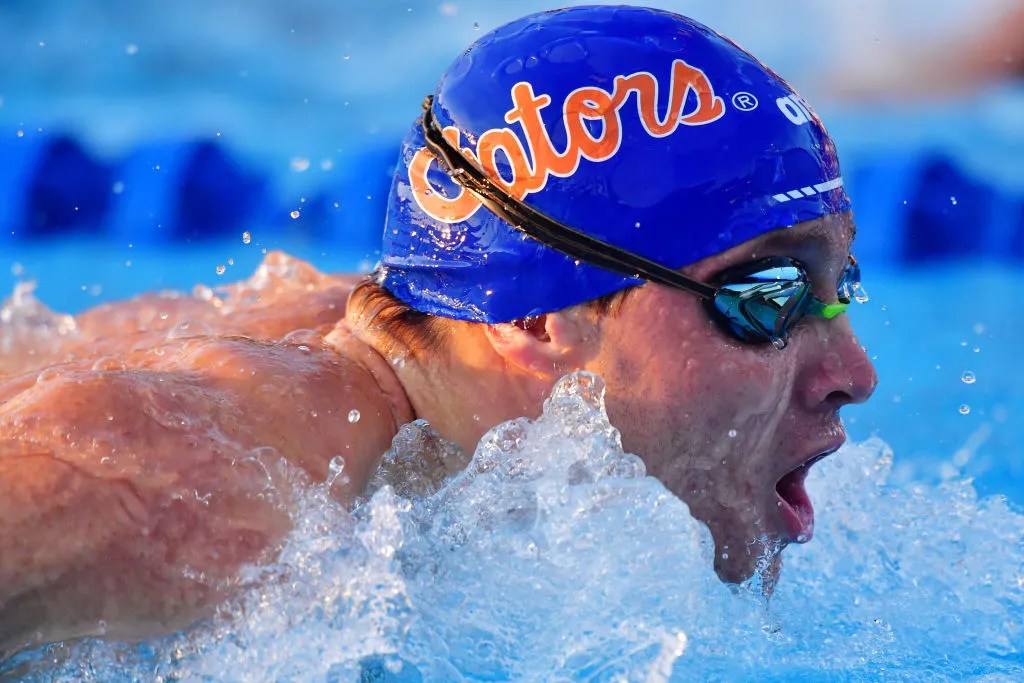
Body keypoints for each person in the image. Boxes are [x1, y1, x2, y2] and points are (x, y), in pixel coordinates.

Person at [0, 5, 876, 654]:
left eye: (842, 285)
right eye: (767, 297)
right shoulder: (199, 504)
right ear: (537, 316)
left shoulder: (420, 376)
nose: (854, 370)